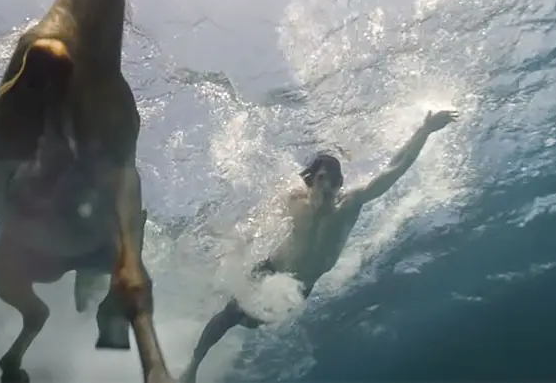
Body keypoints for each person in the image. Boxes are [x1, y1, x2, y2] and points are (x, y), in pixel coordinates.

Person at [179, 109, 460, 383]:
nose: (326, 186)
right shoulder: (294, 201)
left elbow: (394, 169)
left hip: (300, 286)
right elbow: (260, 221)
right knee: (229, 316)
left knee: (254, 323)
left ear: (339, 184)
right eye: (320, 178)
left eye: (332, 180)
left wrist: (424, 130)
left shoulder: (350, 205)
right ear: (311, 181)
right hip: (271, 268)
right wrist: (239, 241)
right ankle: (192, 368)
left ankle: (235, 314)